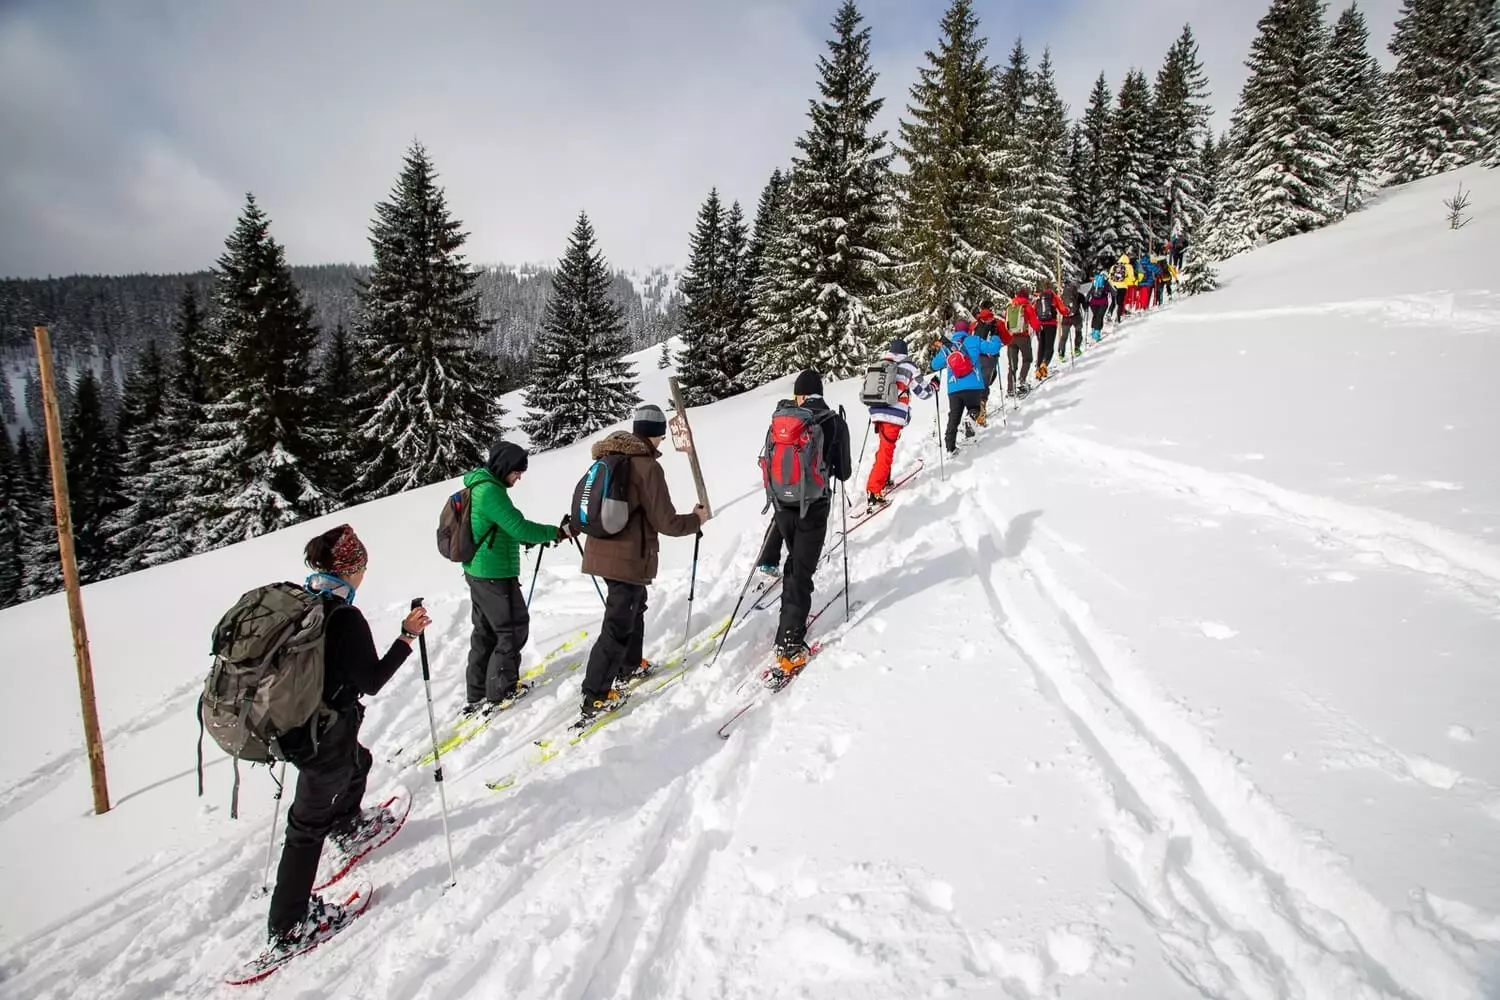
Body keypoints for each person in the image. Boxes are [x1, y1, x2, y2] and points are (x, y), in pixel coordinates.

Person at [266, 525, 432, 951]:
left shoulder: (302, 603)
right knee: (305, 828)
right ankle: (289, 926)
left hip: (299, 727)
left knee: (359, 762)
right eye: (362, 567)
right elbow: (372, 679)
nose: (363, 575)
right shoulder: (344, 617)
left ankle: (347, 823)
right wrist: (407, 636)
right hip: (326, 735)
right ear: (352, 568)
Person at [577, 404, 707, 719]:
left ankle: (629, 664)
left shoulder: (609, 458)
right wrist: (697, 519)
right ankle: (595, 694)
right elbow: (667, 522)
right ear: (657, 434)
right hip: (627, 559)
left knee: (634, 607)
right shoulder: (647, 467)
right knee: (618, 624)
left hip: (601, 551)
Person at [460, 440, 568, 716]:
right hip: (495, 575)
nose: (519, 477)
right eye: (517, 472)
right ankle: (501, 691)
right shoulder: (490, 492)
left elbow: (501, 528)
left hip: (480, 572)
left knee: (485, 632)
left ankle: (478, 692)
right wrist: (555, 532)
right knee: (512, 629)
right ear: (504, 467)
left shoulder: (480, 486)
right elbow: (518, 527)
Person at [763, 370, 851, 678]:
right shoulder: (831, 420)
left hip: (782, 506)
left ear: (800, 394)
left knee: (795, 565)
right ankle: (790, 645)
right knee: (801, 571)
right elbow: (845, 472)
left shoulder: (782, 419)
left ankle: (786, 627)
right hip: (813, 507)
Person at [864, 338, 935, 510]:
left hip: (876, 412)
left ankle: (884, 478)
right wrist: (933, 386)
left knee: (885, 447)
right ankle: (874, 490)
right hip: (893, 415)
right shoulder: (909, 365)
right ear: (904, 351)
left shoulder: (880, 363)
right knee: (886, 450)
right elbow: (923, 392)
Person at [933, 319, 999, 456]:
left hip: (954, 388)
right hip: (973, 385)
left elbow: (934, 365)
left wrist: (941, 353)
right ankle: (970, 424)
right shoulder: (974, 340)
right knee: (974, 408)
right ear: (968, 330)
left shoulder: (947, 346)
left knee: (954, 416)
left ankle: (950, 447)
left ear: (955, 331)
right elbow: (993, 348)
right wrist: (995, 335)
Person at [1003, 288, 1040, 397]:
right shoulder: (1026, 306)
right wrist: (1039, 328)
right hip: (1023, 337)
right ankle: (1021, 381)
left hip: (1011, 338)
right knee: (1027, 359)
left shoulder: (1010, 306)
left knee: (1012, 364)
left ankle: (1010, 388)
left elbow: (1007, 322)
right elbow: (1034, 322)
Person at [1032, 280, 1070, 380]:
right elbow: (1062, 309)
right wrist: (1067, 312)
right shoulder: (1053, 296)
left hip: (1040, 325)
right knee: (1049, 347)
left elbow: (1033, 311)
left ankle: (1037, 369)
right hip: (1051, 324)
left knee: (1041, 347)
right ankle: (1044, 364)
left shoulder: (1038, 297)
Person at [972, 300, 1002, 423]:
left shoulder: (975, 323)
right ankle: (981, 408)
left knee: (979, 381)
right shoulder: (995, 323)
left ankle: (976, 408)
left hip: (976, 356)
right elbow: (1005, 338)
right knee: (986, 381)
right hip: (990, 357)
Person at [1062, 278, 1089, 361]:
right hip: (1076, 317)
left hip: (1066, 317)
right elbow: (1085, 306)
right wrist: (1086, 306)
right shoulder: (1079, 295)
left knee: (1064, 336)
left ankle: (1061, 353)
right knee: (1078, 331)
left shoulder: (1063, 295)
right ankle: (1077, 349)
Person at [1107, 253, 1135, 323]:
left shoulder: (1114, 266)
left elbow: (1109, 277)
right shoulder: (1129, 266)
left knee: (1113, 302)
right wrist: (1131, 281)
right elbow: (1131, 278)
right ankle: (1118, 318)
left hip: (1113, 286)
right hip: (1122, 286)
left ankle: (1109, 314)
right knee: (1120, 303)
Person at [1087, 272, 1112, 343]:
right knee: (1100, 317)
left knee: (1095, 316)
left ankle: (1093, 331)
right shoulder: (1106, 283)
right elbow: (1114, 292)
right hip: (1103, 303)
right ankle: (1097, 334)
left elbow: (1089, 292)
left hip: (1093, 303)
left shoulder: (1094, 282)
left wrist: (1087, 301)